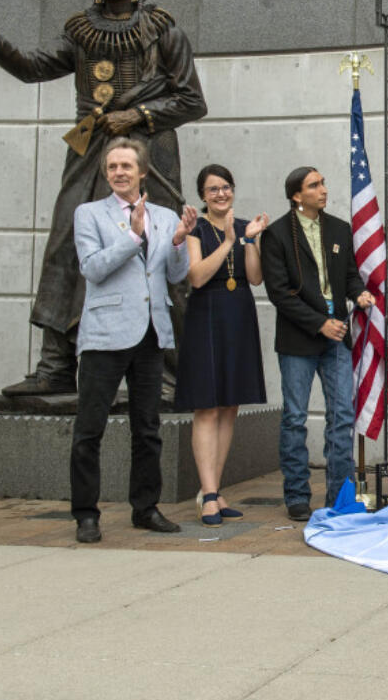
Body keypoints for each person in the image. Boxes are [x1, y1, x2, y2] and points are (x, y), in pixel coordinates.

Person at [0, 0, 205, 397]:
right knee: (64, 247)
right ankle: (56, 365)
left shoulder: (166, 33)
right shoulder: (82, 32)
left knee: (157, 249)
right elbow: (31, 68)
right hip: (89, 147)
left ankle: (167, 371)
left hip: (150, 150)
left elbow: (192, 101)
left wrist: (139, 116)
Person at [70, 137, 195, 543]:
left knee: (148, 428)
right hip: (105, 336)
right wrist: (133, 236)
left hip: (150, 333)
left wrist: (178, 241)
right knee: (90, 429)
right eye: (112, 167)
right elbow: (92, 268)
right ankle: (86, 515)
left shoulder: (162, 214)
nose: (119, 173)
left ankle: (145, 508)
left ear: (142, 172)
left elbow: (175, 276)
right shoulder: (89, 213)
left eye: (126, 166)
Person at [261, 167, 375, 521]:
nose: (323, 189)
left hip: (337, 336)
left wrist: (360, 293)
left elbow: (349, 276)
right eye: (314, 185)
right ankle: (296, 495)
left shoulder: (339, 229)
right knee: (295, 417)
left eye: (324, 183)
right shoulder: (277, 234)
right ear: (297, 195)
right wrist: (318, 323)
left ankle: (339, 493)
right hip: (299, 340)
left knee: (341, 416)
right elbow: (279, 294)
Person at [174, 165, 270, 525]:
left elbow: (256, 277)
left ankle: (212, 489)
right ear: (202, 196)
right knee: (208, 407)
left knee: (230, 405)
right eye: (212, 189)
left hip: (239, 314)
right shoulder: (196, 227)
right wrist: (228, 240)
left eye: (225, 187)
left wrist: (247, 240)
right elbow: (196, 277)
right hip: (207, 316)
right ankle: (209, 493)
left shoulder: (246, 226)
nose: (220, 194)